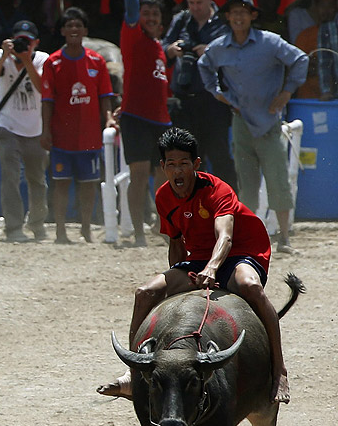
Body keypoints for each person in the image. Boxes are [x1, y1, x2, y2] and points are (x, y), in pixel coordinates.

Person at [98, 128, 291, 403]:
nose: (178, 171)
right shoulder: (164, 196)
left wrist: (211, 270)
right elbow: (176, 243)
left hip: (241, 253)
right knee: (145, 293)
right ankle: (134, 374)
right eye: (172, 165)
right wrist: (178, 287)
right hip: (199, 259)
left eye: (184, 164)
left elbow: (225, 236)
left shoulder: (217, 190)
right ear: (163, 166)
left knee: (250, 286)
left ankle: (279, 370)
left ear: (196, 165)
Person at [199, 0, 308, 254]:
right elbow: (204, 65)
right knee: (246, 184)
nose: (238, 17)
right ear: (227, 16)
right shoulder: (220, 46)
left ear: (252, 16)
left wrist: (287, 92)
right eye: (233, 12)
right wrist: (218, 93)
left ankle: (284, 239)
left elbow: (300, 59)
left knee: (277, 180)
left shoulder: (269, 42)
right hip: (241, 121)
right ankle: (250, 239)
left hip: (269, 122)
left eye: (243, 12)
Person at [40, 7, 116, 244]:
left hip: (89, 137)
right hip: (62, 137)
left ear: (85, 30)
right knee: (61, 184)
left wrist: (109, 119)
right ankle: (60, 230)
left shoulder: (97, 61)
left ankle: (86, 228)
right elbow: (47, 100)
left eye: (78, 25)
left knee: (88, 185)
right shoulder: (53, 63)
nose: (74, 29)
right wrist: (45, 130)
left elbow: (105, 95)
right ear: (62, 30)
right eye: (69, 25)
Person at [163, 0, 237, 190]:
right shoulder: (181, 19)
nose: (195, 8)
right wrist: (170, 50)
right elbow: (162, 47)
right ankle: (189, 207)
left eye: (199, 3)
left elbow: (234, 54)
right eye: (191, 3)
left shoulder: (223, 21)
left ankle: (229, 203)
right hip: (184, 100)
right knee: (186, 157)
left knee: (219, 154)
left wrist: (211, 52)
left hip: (213, 100)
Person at [0, 19, 49, 242]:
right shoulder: (0, 57)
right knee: (10, 177)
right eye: (20, 41)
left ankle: (37, 224)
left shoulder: (42, 59)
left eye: (28, 42)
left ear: (36, 43)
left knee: (37, 179)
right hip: (7, 125)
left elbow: (43, 88)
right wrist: (4, 56)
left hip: (35, 128)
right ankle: (13, 227)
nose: (24, 45)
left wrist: (26, 60)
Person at [117, 0, 171, 248]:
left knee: (163, 177)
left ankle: (160, 228)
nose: (149, 17)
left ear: (161, 21)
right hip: (135, 117)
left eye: (154, 14)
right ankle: (138, 232)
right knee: (138, 176)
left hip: (161, 121)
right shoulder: (132, 36)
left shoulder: (160, 47)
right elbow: (130, 7)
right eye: (145, 13)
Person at [294, 0, 338, 99]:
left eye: (331, 6)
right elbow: (296, 67)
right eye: (323, 6)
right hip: (309, 97)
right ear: (316, 7)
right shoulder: (305, 36)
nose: (326, 10)